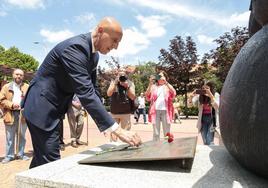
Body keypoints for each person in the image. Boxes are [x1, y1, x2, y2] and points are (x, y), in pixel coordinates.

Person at [22, 17, 142, 168]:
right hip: (41, 108)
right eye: (114, 40)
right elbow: (85, 92)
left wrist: (104, 121)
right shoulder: (75, 48)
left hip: (53, 108)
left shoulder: (94, 54)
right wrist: (116, 129)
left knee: (42, 160)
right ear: (100, 31)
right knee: (50, 161)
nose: (116, 47)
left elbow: (93, 89)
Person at [0, 69, 30, 163]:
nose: (19, 76)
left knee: (22, 135)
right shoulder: (6, 87)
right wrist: (12, 105)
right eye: (17, 74)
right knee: (10, 137)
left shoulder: (27, 87)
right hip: (10, 113)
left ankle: (21, 154)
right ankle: (9, 155)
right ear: (13, 75)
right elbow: (2, 100)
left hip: (23, 114)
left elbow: (31, 99)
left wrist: (26, 106)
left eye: (21, 75)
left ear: (23, 77)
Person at [145, 72, 176, 141]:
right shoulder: (153, 87)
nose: (160, 78)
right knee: (156, 133)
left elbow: (174, 93)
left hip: (166, 111)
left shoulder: (167, 86)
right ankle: (156, 148)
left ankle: (167, 148)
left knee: (167, 132)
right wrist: (150, 83)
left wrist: (166, 82)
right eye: (159, 76)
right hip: (155, 111)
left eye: (162, 76)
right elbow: (147, 96)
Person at [107, 68, 136, 141]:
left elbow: (132, 97)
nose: (121, 75)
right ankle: (113, 147)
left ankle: (125, 148)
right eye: (120, 73)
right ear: (117, 74)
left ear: (126, 74)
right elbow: (108, 93)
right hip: (114, 112)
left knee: (126, 133)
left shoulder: (130, 83)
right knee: (114, 133)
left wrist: (127, 87)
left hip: (126, 112)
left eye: (123, 73)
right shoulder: (114, 82)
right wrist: (115, 83)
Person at [189, 80, 220, 145]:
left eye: (207, 88)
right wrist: (191, 97)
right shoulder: (200, 96)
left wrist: (211, 96)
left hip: (212, 119)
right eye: (203, 88)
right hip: (203, 120)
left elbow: (217, 107)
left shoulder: (216, 95)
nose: (205, 90)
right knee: (205, 140)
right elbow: (190, 105)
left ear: (211, 88)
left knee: (209, 140)